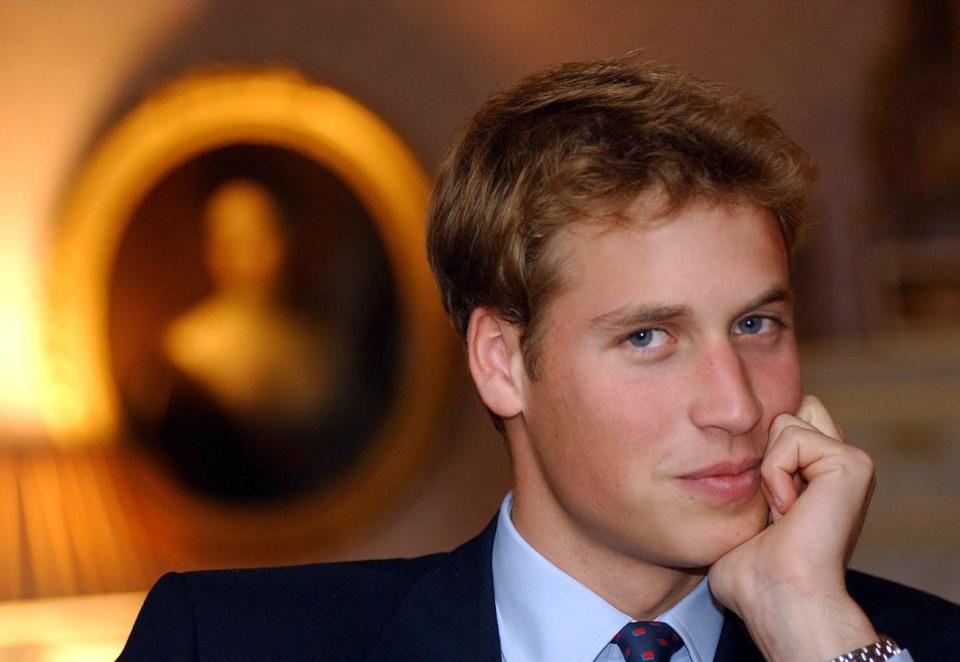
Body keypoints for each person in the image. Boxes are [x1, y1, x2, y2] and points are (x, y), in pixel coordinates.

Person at [119, 56, 960, 661]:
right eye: (648, 337)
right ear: (501, 361)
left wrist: (815, 628)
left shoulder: (892, 646)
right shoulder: (228, 643)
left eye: (755, 326)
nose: (737, 407)